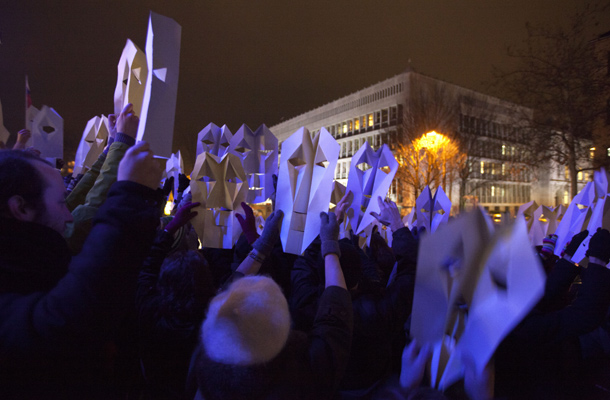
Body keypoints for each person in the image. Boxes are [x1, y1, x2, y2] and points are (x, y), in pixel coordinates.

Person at [0, 142, 163, 399]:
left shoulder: (32, 265)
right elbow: (65, 322)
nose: (69, 215)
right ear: (20, 208)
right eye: (60, 202)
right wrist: (129, 195)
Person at [191, 211, 353, 400]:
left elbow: (226, 299)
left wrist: (261, 246)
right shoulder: (305, 375)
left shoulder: (207, 366)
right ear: (285, 327)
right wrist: (330, 247)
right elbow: (335, 313)